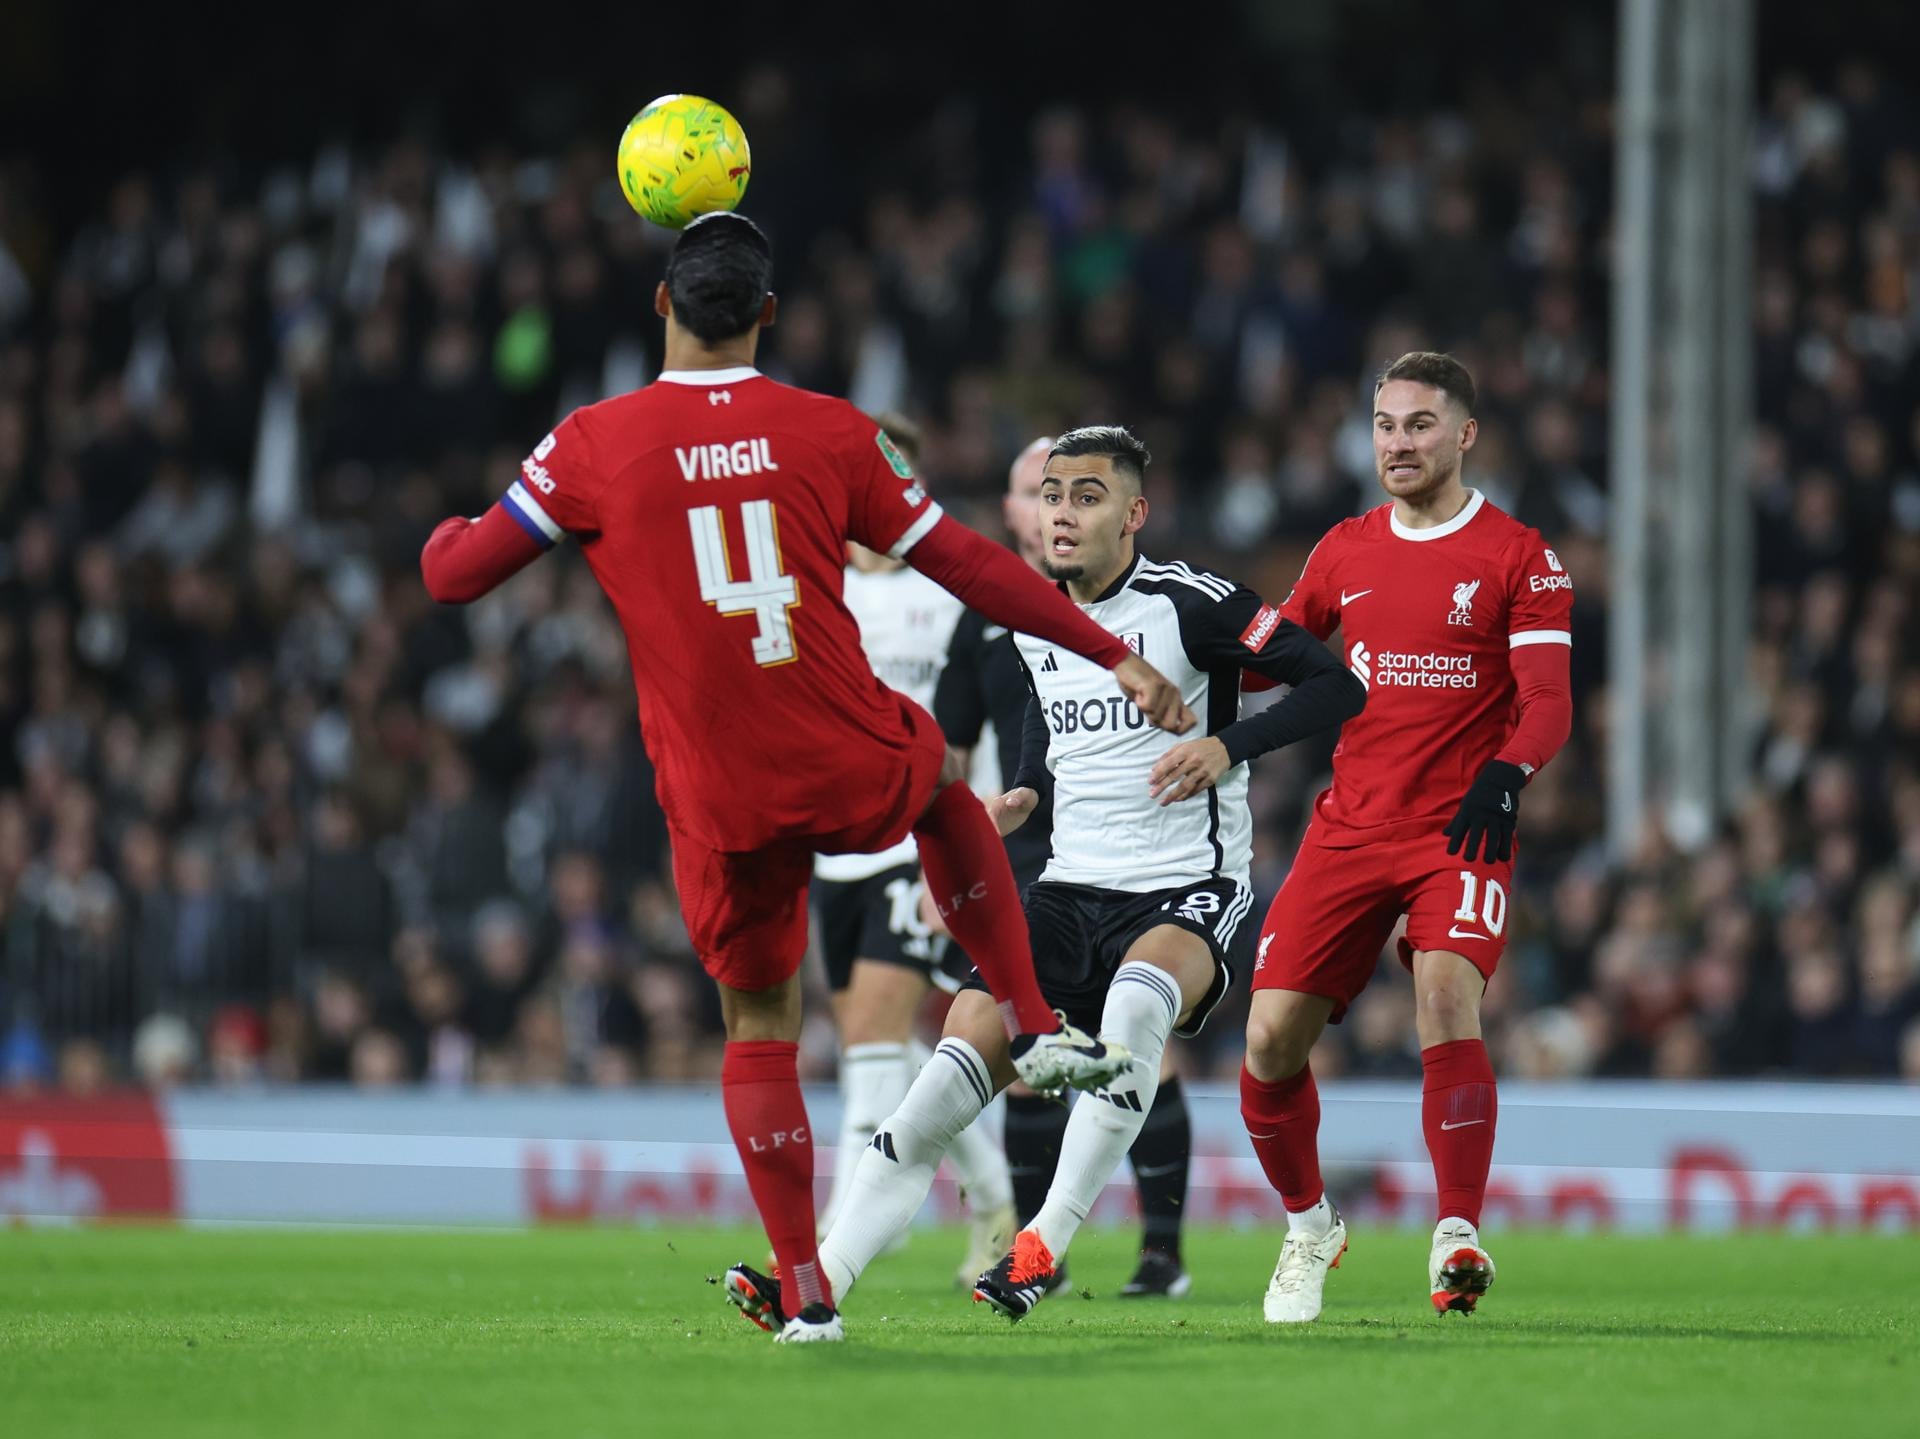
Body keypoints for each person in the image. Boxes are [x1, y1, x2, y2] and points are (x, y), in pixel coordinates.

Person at [418, 214, 1197, 1343]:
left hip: (716, 784)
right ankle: (1029, 1019)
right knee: (936, 780)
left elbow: (452, 575)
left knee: (761, 1026)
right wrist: (1110, 647)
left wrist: (454, 518)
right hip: (839, 739)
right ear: (769, 317)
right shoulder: (831, 430)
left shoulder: (590, 440)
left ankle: (809, 1290)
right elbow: (972, 560)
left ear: (661, 306)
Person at [723, 424, 1363, 1331]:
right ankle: (816, 1284)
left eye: (1087, 497)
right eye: (1053, 495)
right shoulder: (1030, 612)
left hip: (1185, 885)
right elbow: (1043, 713)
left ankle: (1041, 1245)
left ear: (1134, 513)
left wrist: (1227, 744)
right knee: (943, 1081)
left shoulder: (1192, 604)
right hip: (1068, 886)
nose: (1062, 514)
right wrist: (1023, 786)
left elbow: (1336, 684)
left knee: (1139, 1006)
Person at [1239, 352, 1573, 1323]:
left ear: (1464, 434)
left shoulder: (1520, 555)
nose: (1398, 442)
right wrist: (1190, 661)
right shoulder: (1344, 548)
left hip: (1457, 828)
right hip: (1349, 827)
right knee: (1267, 1041)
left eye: (1419, 424)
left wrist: (1505, 779)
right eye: (1385, 424)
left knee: (1443, 995)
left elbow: (1548, 702)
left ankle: (1456, 1232)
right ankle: (1310, 1226)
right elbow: (1275, 660)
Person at [933, 435, 1196, 1299]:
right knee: (1022, 1051)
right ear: (1014, 511)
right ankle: (1040, 1244)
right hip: (1022, 852)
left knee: (1141, 1050)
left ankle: (1161, 1252)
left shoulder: (1133, 610)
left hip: (1118, 854)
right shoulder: (982, 617)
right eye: (1035, 491)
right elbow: (952, 743)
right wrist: (949, 847)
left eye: (1079, 494)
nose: (1055, 509)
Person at [810, 412, 1016, 1286]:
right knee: (877, 1047)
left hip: (918, 830)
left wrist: (985, 829)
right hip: (836, 843)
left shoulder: (950, 586)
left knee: (874, 1033)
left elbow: (978, 718)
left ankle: (832, 1242)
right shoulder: (816, 585)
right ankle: (996, 1200)